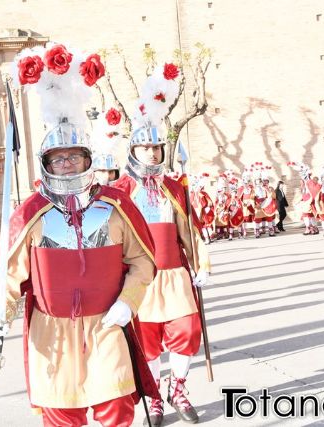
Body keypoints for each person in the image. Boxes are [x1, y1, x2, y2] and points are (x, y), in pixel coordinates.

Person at [0, 43, 158, 426]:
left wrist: (129, 301)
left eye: (73, 157)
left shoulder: (115, 205)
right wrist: (0, 311)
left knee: (117, 409)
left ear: (87, 160)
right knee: (63, 415)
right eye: (57, 158)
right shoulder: (29, 213)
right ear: (46, 163)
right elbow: (9, 273)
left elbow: (143, 261)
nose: (66, 164)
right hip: (52, 331)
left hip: (107, 323)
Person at [114, 61, 211, 425]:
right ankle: (154, 395)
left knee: (186, 331)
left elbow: (192, 231)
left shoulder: (174, 187)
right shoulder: (119, 192)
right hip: (139, 279)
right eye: (145, 148)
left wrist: (202, 264)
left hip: (175, 276)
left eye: (157, 148)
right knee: (148, 340)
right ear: (133, 151)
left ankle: (179, 387)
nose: (153, 154)